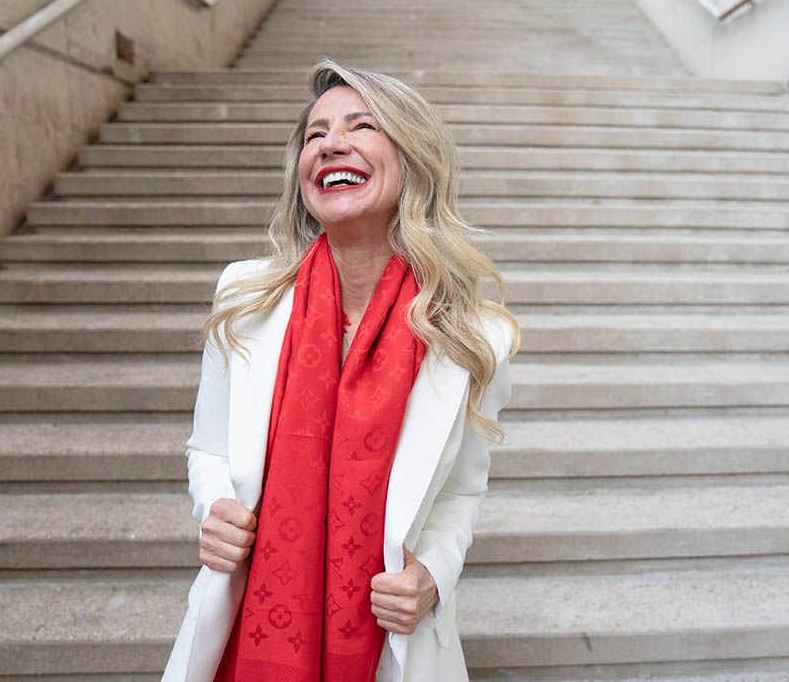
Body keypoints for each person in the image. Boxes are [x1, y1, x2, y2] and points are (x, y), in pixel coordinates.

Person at [161, 58, 520, 682]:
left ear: (410, 159)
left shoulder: (471, 331)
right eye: (315, 135)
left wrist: (433, 573)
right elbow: (207, 447)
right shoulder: (244, 298)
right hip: (252, 631)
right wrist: (213, 505)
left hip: (384, 639)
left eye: (362, 126)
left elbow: (463, 489)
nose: (331, 145)